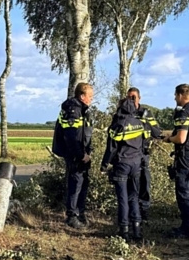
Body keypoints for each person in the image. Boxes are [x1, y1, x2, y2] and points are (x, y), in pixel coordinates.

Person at [162, 83, 189, 239]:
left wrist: (168, 139)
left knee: (184, 192)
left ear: (180, 95)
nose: (175, 98)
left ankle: (187, 230)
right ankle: (188, 226)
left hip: (185, 156)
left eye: (175, 95)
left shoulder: (184, 113)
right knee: (188, 191)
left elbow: (180, 138)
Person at [101, 97, 146, 241]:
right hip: (136, 164)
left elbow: (111, 148)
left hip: (122, 164)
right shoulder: (139, 123)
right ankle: (137, 230)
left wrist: (104, 166)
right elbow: (144, 144)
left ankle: (124, 230)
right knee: (134, 197)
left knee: (123, 198)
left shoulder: (118, 125)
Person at [52, 82, 94, 229]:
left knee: (83, 184)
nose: (91, 99)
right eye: (90, 96)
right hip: (75, 154)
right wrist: (81, 155)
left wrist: (88, 152)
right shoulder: (73, 110)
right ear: (82, 96)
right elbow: (71, 136)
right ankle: (72, 216)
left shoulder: (83, 110)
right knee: (75, 184)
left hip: (83, 154)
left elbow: (85, 134)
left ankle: (80, 213)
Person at [127, 86, 162, 221]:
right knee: (130, 182)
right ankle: (132, 210)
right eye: (129, 97)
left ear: (139, 98)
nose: (131, 100)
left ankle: (144, 209)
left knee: (144, 181)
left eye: (134, 97)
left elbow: (156, 132)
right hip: (129, 154)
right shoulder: (125, 112)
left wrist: (144, 120)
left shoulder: (146, 113)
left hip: (143, 152)